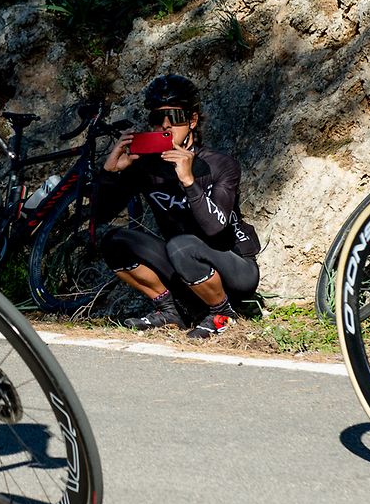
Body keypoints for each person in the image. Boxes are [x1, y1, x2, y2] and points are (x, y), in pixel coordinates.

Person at [96, 74, 261, 339]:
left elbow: (216, 228)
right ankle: (170, 311)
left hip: (235, 267)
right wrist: (109, 173)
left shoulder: (220, 164)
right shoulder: (146, 166)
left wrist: (188, 180)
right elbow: (101, 216)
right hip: (181, 261)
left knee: (181, 245)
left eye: (174, 117)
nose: (165, 125)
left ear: (192, 120)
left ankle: (223, 313)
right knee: (114, 242)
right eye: (156, 118)